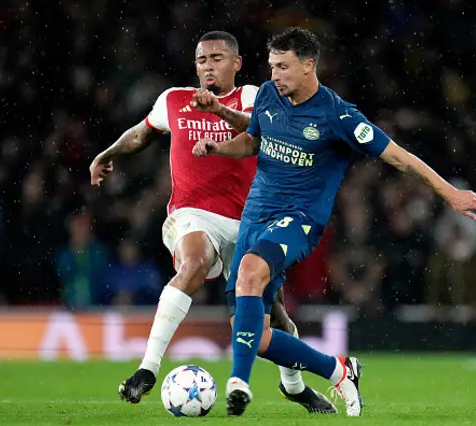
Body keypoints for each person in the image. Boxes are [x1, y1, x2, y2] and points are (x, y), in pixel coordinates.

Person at [193, 27, 476, 416]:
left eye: (283, 67)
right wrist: (217, 148)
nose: (274, 75)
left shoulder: (337, 115)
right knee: (255, 335)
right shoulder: (268, 95)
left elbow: (398, 156)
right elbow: (253, 140)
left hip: (298, 220)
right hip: (255, 216)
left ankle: (239, 384)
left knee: (250, 271)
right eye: (271, 66)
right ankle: (339, 370)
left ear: (308, 65)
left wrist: (448, 192)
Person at [89, 30, 335, 413]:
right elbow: (142, 133)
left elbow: (259, 134)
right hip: (191, 213)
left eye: (217, 58)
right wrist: (107, 153)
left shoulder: (254, 96)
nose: (208, 65)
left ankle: (295, 386)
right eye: (202, 60)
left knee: (275, 321)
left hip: (251, 221)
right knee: (194, 259)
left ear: (236, 63)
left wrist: (217, 110)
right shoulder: (174, 100)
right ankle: (147, 369)